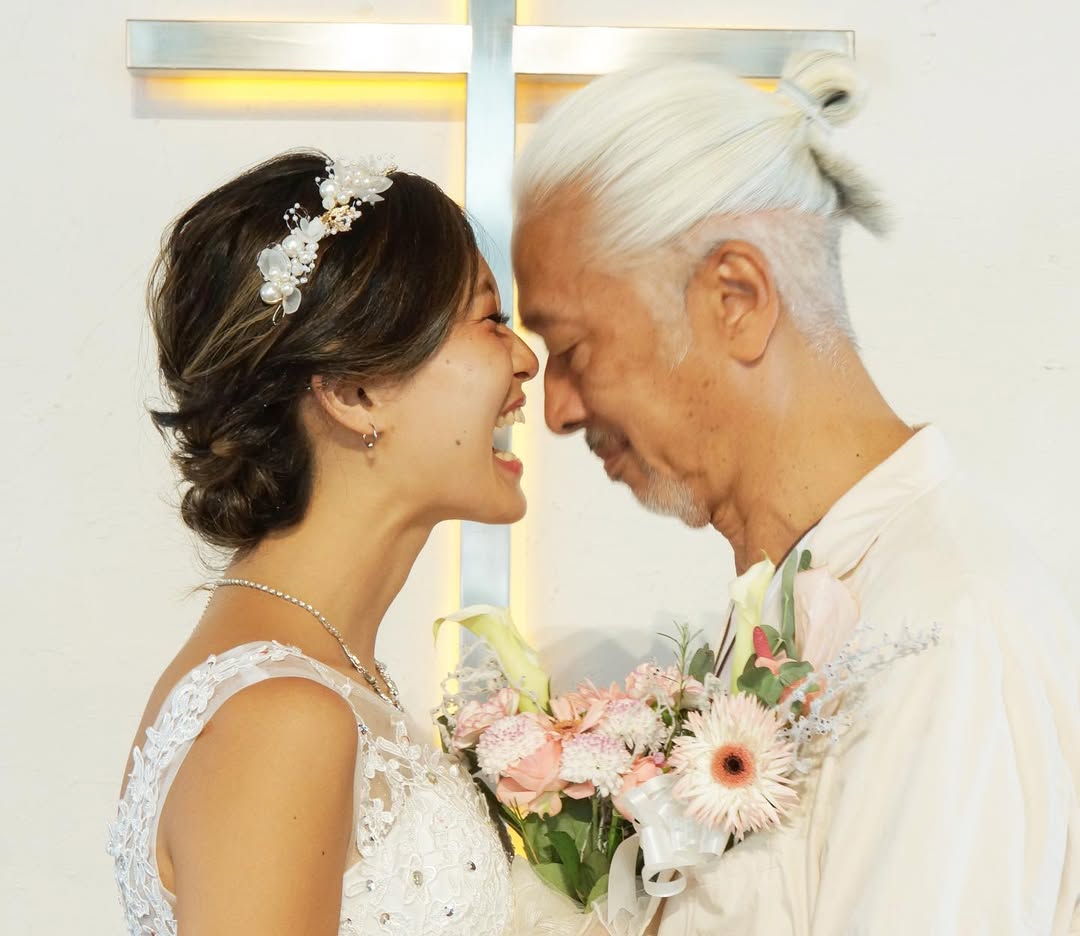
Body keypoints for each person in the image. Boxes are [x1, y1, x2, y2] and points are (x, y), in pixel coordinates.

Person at [511, 53, 1080, 934]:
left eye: (574, 349)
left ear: (734, 297)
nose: (556, 410)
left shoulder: (942, 631)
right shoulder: (809, 594)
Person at [107, 152, 538, 935]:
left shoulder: (321, 680)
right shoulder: (280, 717)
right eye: (489, 319)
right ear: (353, 391)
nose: (525, 359)